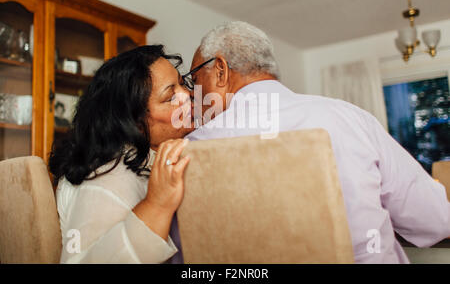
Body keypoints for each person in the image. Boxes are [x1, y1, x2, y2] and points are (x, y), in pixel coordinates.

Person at [183, 21, 450, 263]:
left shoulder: (191, 149)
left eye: (194, 79)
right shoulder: (347, 117)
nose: (193, 95)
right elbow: (434, 220)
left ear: (220, 70)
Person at [49, 45, 193, 263]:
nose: (188, 95)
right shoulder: (107, 177)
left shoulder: (145, 158)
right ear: (135, 122)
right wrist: (157, 205)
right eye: (170, 97)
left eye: (182, 84)